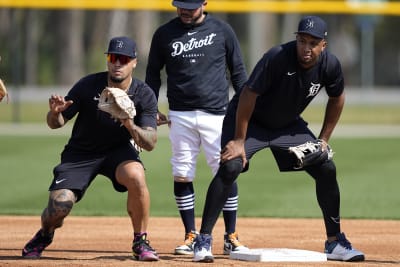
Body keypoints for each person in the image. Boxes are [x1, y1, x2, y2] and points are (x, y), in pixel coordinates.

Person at [192, 16, 366, 263]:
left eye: (313, 43)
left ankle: (334, 241)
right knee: (231, 165)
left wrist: (323, 140)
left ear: (323, 45)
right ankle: (204, 239)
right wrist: (239, 139)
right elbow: (248, 95)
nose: (306, 48)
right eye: (302, 41)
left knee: (326, 167)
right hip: (251, 120)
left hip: (287, 125)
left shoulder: (330, 65)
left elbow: (337, 98)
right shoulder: (277, 57)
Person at [21, 36, 159, 261]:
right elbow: (56, 124)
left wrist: (128, 122)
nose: (117, 63)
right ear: (108, 60)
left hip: (118, 152)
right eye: (113, 57)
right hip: (81, 153)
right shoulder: (88, 85)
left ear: (134, 62)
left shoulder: (143, 94)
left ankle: (140, 241)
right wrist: (54, 113)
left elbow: (150, 143)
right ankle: (45, 234)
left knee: (136, 176)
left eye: (123, 59)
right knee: (58, 208)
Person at [145, 0, 249, 256]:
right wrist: (149, 109)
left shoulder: (222, 30)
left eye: (191, 6)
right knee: (181, 173)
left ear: (204, 3)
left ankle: (230, 235)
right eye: (181, 5)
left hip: (218, 114)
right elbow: (152, 75)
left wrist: (243, 111)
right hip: (180, 114)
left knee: (226, 171)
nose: (185, 10)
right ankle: (191, 234)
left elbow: (238, 73)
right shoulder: (164, 33)